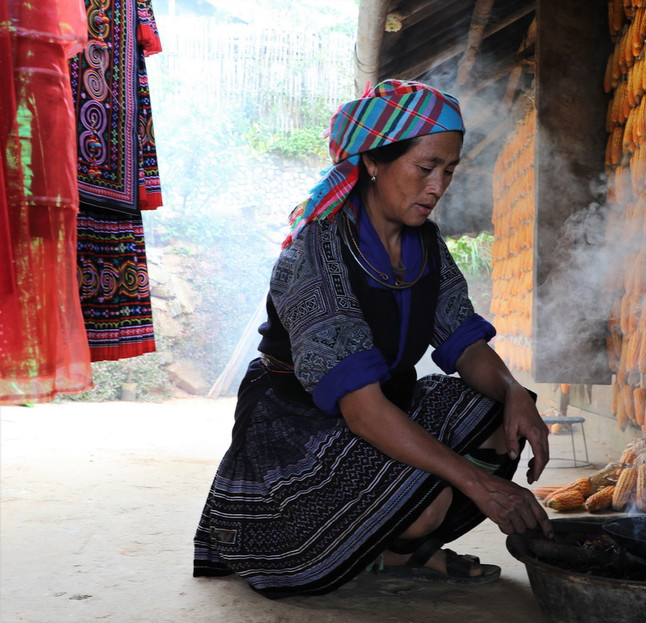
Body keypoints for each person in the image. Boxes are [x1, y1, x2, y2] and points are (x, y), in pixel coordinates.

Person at [192, 79, 553, 598]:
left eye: (448, 171)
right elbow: (361, 409)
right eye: (425, 168)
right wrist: (481, 484)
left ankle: (400, 550)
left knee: (501, 416)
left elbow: (465, 342)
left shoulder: (425, 244)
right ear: (374, 162)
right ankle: (389, 539)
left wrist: (516, 393)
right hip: (302, 424)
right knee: (425, 501)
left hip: (385, 404)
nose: (438, 186)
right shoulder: (317, 252)